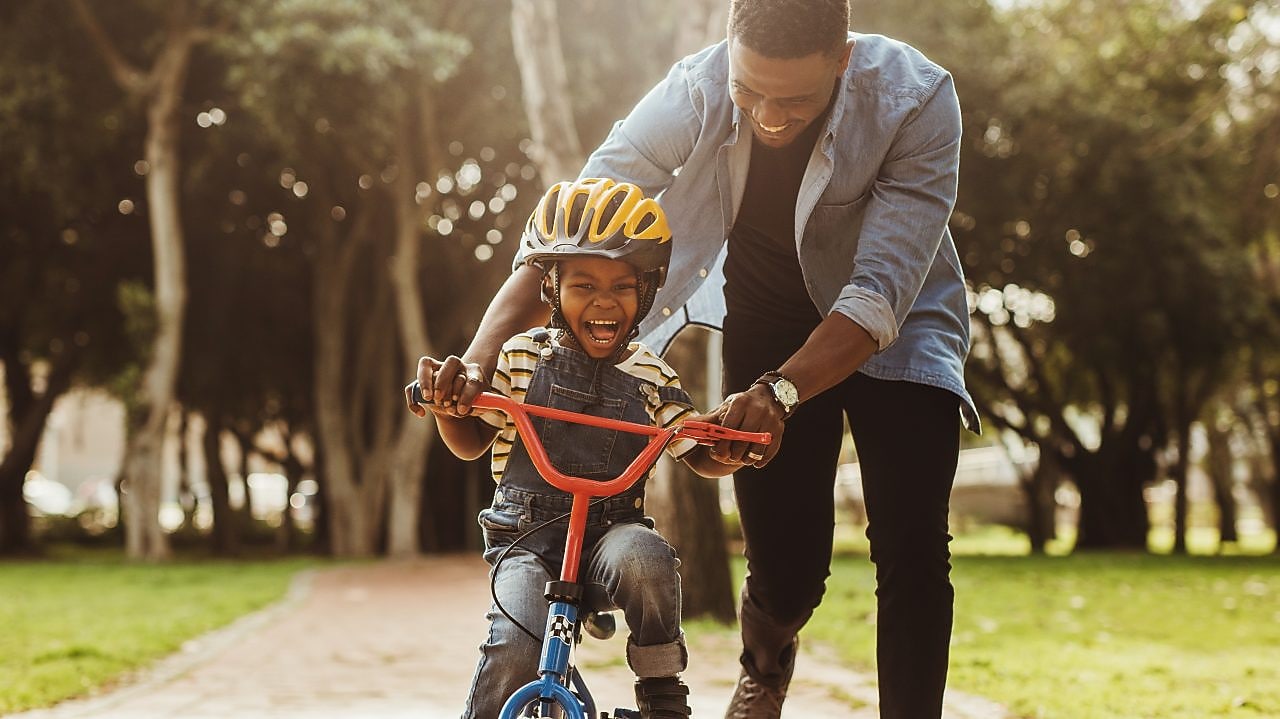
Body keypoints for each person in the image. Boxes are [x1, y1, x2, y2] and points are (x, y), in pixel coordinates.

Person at [415, 1, 981, 716]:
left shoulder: (918, 99)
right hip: (771, 316)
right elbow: (581, 221)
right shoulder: (695, 87)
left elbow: (877, 295)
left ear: (843, 58)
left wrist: (779, 393)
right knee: (788, 566)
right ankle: (767, 662)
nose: (770, 119)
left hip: (896, 324)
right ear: (729, 54)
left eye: (795, 99)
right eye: (751, 93)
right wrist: (481, 355)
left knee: (912, 541)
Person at [409, 178, 748, 719]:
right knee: (517, 644)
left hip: (610, 538)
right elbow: (472, 442)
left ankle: (662, 694)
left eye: (622, 286)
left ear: (647, 291)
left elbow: (693, 446)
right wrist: (451, 409)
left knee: (647, 557)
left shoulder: (651, 376)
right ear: (551, 288)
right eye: (584, 285)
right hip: (526, 539)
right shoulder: (521, 357)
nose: (604, 301)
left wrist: (724, 448)